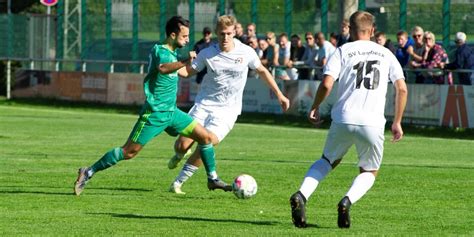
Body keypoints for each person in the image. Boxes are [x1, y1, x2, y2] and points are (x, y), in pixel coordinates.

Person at [73, 16, 230, 196]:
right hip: (154, 114)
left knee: (205, 138)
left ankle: (212, 178)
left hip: (171, 113)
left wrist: (199, 63)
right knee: (129, 152)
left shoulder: (172, 54)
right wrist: (186, 60)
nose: (187, 40)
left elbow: (181, 71)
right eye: (184, 36)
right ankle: (88, 172)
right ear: (172, 35)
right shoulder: (160, 51)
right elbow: (163, 68)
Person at [289, 11, 407, 229]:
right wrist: (397, 121)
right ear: (372, 31)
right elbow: (402, 88)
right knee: (369, 171)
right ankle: (347, 201)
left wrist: (315, 107)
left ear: (351, 30)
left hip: (343, 117)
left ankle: (302, 194)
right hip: (372, 122)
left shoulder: (342, 50)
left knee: (327, 160)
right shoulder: (386, 54)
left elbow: (326, 84)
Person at [167, 15, 290, 195]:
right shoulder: (207, 53)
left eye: (229, 34)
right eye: (222, 34)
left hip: (228, 111)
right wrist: (166, 66)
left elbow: (262, 71)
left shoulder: (246, 52)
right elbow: (187, 73)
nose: (225, 38)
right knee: (181, 145)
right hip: (204, 105)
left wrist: (280, 94)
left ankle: (178, 183)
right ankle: (179, 154)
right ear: (216, 33)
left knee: (206, 142)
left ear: (234, 33)